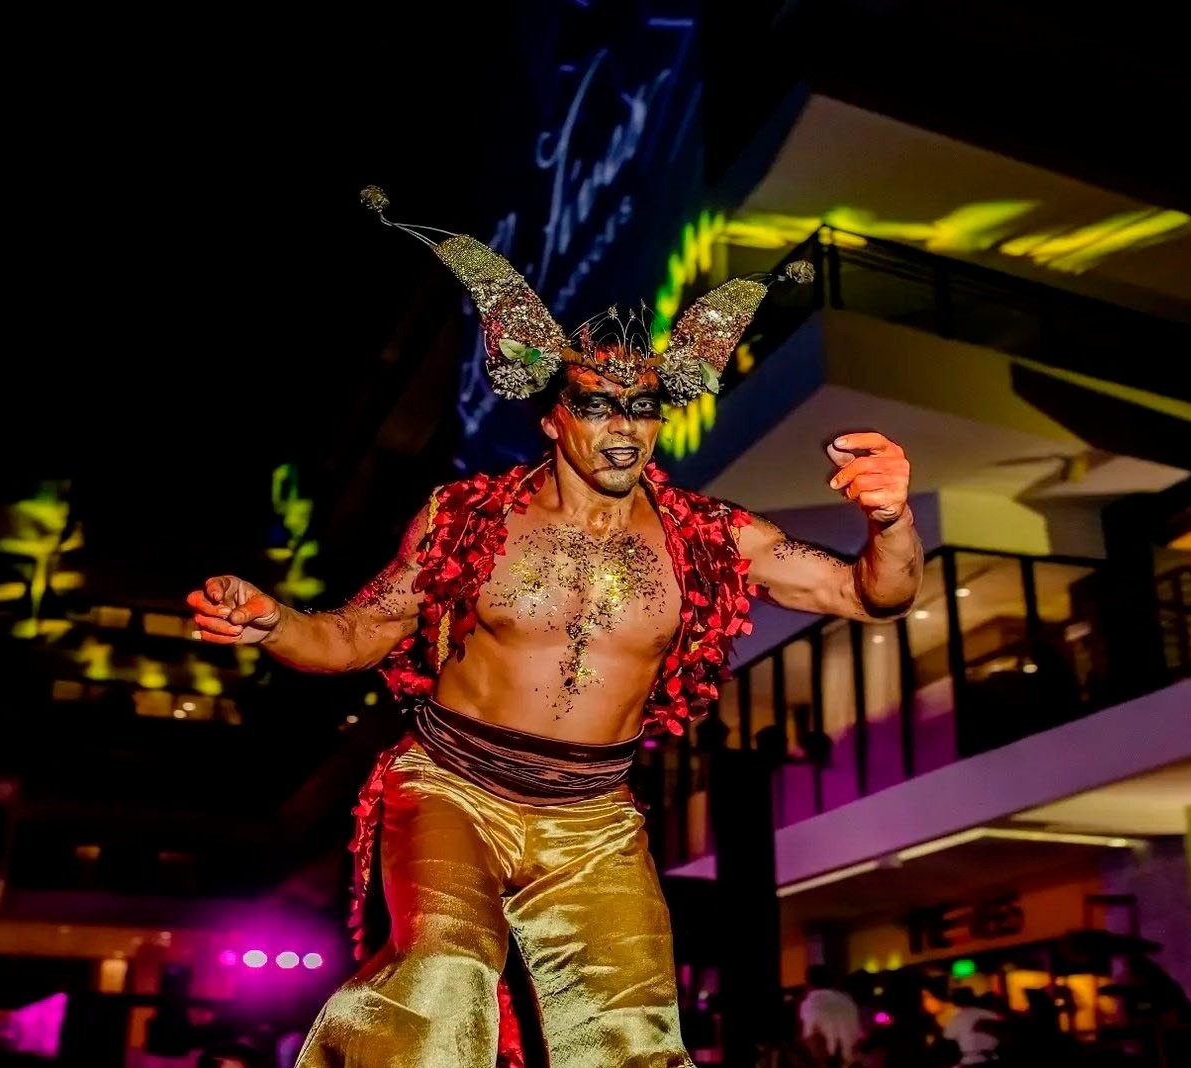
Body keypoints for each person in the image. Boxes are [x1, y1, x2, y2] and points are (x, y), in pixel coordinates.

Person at [188, 188, 923, 1068]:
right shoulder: (468, 518)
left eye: (643, 407)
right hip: (453, 787)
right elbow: (352, 637)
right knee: (443, 970)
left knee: (634, 1039)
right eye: (598, 406)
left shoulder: (711, 537)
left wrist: (890, 520)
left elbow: (871, 597)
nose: (625, 428)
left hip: (593, 815)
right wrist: (273, 622)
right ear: (552, 416)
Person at [798, 966, 866, 1067]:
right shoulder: (847, 1001)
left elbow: (809, 1036)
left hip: (830, 1062)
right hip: (853, 1062)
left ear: (809, 982)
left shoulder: (811, 1002)